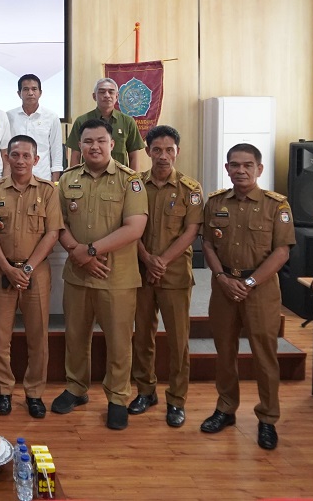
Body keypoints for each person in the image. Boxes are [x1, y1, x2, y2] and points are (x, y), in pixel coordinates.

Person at [52, 118, 148, 430]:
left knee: (119, 342)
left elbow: (135, 227)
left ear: (111, 145)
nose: (94, 146)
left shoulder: (129, 180)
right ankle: (76, 388)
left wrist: (89, 251)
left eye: (100, 141)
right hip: (78, 275)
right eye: (88, 141)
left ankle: (118, 397)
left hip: (116, 277)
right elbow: (58, 223)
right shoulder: (67, 181)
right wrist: (75, 250)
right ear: (79, 146)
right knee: (76, 337)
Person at [200, 143, 295, 451]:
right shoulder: (215, 202)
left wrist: (251, 281)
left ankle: (267, 418)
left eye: (247, 165)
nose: (240, 170)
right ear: (227, 168)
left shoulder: (276, 205)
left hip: (261, 289)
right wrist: (221, 278)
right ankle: (226, 409)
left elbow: (282, 251)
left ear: (259, 169)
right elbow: (209, 246)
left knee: (264, 356)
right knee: (224, 352)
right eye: (234, 165)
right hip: (224, 286)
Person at [128, 125, 202, 428]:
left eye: (169, 149)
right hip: (141, 272)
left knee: (178, 341)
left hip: (174, 276)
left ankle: (176, 400)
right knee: (142, 335)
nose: (162, 156)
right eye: (156, 150)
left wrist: (162, 261)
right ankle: (146, 391)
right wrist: (147, 258)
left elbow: (191, 231)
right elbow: (129, 226)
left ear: (177, 152)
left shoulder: (190, 188)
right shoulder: (135, 185)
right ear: (147, 151)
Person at [0, 135, 62, 419]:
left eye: (26, 156)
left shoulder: (48, 192)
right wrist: (7, 268)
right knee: (0, 337)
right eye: (14, 155)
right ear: (8, 157)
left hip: (35, 273)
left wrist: (26, 269)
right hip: (1, 270)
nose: (19, 161)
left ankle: (34, 393)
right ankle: (3, 392)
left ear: (36, 160)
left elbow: (52, 233)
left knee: (38, 336)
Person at [65, 78, 143, 170]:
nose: (107, 95)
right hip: (88, 178)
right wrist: (74, 180)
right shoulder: (81, 121)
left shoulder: (128, 122)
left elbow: (133, 156)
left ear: (117, 96)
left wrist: (132, 181)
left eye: (111, 92)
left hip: (119, 179)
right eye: (102, 92)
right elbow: (76, 155)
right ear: (94, 96)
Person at [6, 74, 63, 182]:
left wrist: (55, 183)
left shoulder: (51, 117)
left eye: (34, 89)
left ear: (40, 93)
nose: (30, 93)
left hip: (42, 178)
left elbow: (56, 153)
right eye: (26, 89)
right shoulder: (8, 117)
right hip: (15, 178)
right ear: (19, 93)